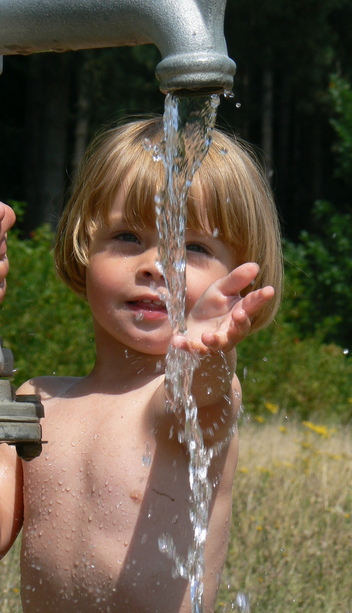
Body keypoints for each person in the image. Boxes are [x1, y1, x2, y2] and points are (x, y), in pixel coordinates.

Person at [0, 116, 283, 612]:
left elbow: (200, 392)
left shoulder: (179, 403)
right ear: (85, 248)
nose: (158, 265)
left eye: (194, 247)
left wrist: (209, 351)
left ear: (237, 276)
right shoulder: (37, 399)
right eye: (128, 237)